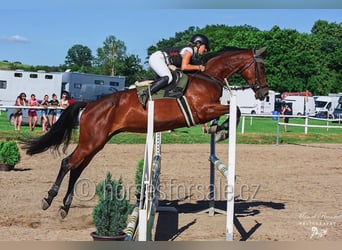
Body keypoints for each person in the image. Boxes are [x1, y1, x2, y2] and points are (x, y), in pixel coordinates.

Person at [139, 34, 210, 106]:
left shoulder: (191, 53)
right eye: (205, 47)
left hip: (160, 59)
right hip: (158, 58)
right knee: (168, 77)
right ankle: (145, 93)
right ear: (198, 44)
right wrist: (198, 67)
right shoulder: (189, 50)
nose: (206, 50)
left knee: (172, 79)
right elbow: (184, 67)